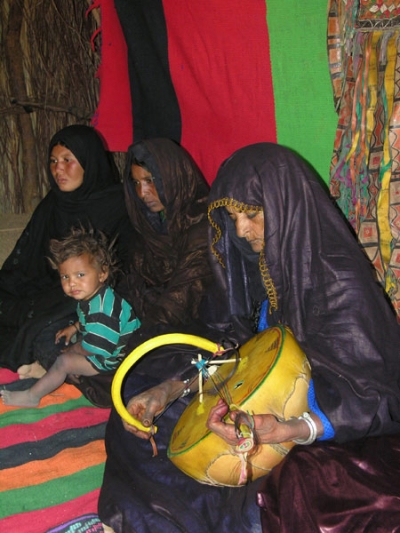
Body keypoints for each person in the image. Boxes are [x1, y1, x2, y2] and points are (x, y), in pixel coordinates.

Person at [99, 143, 400, 533]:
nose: (241, 230)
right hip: (250, 402)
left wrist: (289, 427)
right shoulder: (252, 267)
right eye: (232, 217)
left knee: (283, 494)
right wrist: (173, 389)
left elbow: (376, 398)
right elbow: (229, 346)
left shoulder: (341, 283)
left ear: (287, 208)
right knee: (137, 411)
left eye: (253, 215)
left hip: (331, 429)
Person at [0, 124, 134, 379]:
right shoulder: (53, 203)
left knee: (46, 332)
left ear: (89, 162)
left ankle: (51, 363)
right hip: (48, 288)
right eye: (53, 161)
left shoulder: (119, 205)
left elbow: (125, 271)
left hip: (92, 295)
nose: (58, 169)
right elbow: (26, 260)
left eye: (67, 160)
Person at [1, 226, 140, 408]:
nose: (72, 283)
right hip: (101, 340)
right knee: (57, 336)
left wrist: (74, 351)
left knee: (63, 361)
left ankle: (32, 395)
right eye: (65, 276)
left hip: (114, 359)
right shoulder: (93, 295)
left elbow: (95, 347)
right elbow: (88, 320)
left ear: (102, 273)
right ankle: (47, 371)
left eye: (80, 275)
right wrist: (74, 327)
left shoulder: (102, 310)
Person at [116, 138, 213, 347]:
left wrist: (140, 340)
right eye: (136, 183)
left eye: (150, 180)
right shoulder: (151, 225)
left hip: (196, 329)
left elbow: (182, 296)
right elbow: (131, 281)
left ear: (172, 177)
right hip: (152, 322)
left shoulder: (202, 226)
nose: (143, 193)